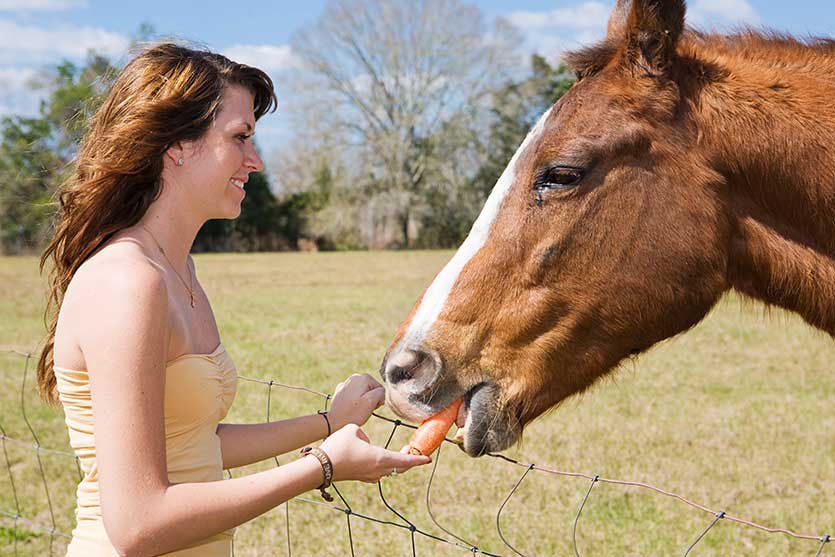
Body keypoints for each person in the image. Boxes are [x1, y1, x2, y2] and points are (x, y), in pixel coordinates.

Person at [36, 43, 430, 557]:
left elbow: (194, 443)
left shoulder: (177, 271)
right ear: (176, 145)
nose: (256, 160)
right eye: (240, 137)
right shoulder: (128, 283)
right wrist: (324, 465)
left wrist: (329, 423)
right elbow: (137, 526)